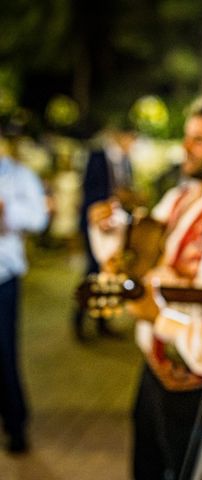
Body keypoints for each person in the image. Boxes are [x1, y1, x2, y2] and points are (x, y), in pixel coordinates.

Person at [89, 92, 202, 479]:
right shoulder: (180, 197)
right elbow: (139, 250)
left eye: (200, 139)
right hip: (154, 369)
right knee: (146, 466)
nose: (186, 147)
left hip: (192, 388)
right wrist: (109, 230)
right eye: (188, 137)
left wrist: (159, 315)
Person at [0, 137, 49, 453]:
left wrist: (7, 212)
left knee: (3, 354)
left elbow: (39, 218)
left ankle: (16, 423)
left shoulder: (19, 176)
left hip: (3, 276)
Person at [74, 121, 140, 340]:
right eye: (131, 139)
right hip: (96, 226)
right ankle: (79, 320)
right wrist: (108, 203)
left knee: (111, 273)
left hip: (116, 227)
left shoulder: (126, 161)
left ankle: (103, 321)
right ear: (121, 136)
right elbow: (89, 192)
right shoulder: (97, 156)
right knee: (93, 272)